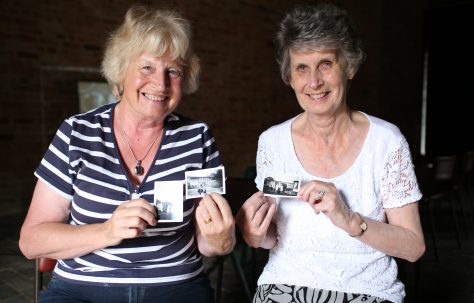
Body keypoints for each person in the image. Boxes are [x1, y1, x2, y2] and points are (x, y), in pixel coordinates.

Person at [19, 5, 235, 303]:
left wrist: (220, 239)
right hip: (82, 289)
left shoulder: (197, 138)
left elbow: (206, 239)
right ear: (122, 69)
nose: (160, 84)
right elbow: (31, 242)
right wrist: (107, 231)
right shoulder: (76, 133)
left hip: (175, 287)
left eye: (173, 71)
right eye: (147, 67)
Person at [236, 3, 425, 303]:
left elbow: (414, 247)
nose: (314, 82)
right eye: (302, 68)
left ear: (349, 66)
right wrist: (254, 234)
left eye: (326, 63)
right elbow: (271, 237)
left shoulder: (386, 142)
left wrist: (350, 220)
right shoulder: (272, 142)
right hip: (283, 286)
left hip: (367, 292)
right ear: (289, 77)